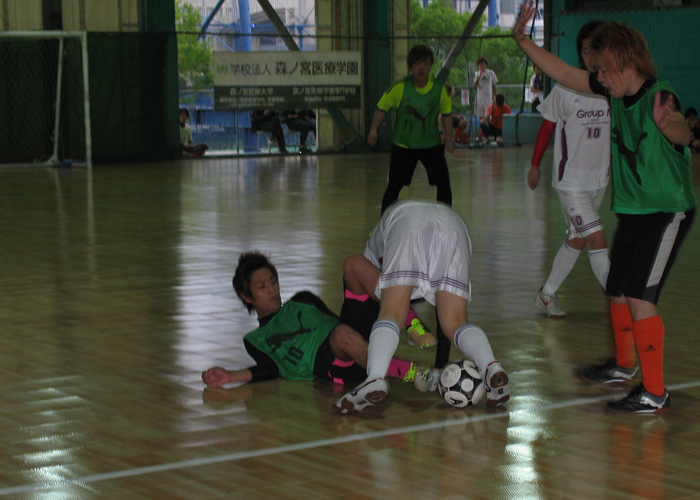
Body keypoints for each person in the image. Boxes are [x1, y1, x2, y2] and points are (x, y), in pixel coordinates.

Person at [514, 1, 696, 413]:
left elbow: (683, 133)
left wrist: (671, 127)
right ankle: (624, 364)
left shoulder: (659, 95)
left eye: (604, 70)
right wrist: (522, 40)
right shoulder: (613, 90)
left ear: (627, 66)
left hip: (666, 211)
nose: (598, 78)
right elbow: (564, 73)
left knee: (640, 297)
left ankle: (654, 391)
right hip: (634, 210)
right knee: (616, 288)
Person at [334, 200, 510, 414]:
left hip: (407, 224)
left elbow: (385, 300)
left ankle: (375, 379)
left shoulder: (369, 258)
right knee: (456, 322)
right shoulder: (378, 243)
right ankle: (491, 366)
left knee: (391, 314)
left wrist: (409, 324)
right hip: (453, 223)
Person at [201, 252, 433, 392]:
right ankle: (409, 372)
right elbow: (269, 368)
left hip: (349, 342)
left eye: (273, 282)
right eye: (262, 287)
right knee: (342, 335)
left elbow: (335, 322)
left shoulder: (303, 299)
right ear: (246, 296)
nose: (272, 290)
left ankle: (413, 325)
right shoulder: (256, 339)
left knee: (353, 263)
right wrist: (230, 376)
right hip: (334, 364)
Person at [528, 20, 611, 319]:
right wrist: (535, 164)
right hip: (571, 183)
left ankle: (546, 295)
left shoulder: (612, 88)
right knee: (597, 240)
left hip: (599, 180)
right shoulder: (565, 88)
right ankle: (621, 302)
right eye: (586, 51)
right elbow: (546, 128)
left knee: (576, 239)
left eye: (596, 51)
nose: (591, 58)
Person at [367, 44, 455, 214]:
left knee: (443, 184)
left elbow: (447, 115)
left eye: (426, 64)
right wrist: (373, 129)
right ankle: (386, 221)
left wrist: (449, 139)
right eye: (417, 64)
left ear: (431, 66)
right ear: (411, 66)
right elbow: (381, 108)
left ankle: (445, 219)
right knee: (394, 185)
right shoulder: (399, 87)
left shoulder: (440, 89)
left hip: (432, 145)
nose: (422, 68)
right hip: (403, 145)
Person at [473, 56, 498, 128]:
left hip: (488, 97)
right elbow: (474, 85)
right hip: (479, 97)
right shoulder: (476, 74)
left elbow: (493, 84)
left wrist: (495, 95)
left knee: (488, 115)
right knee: (481, 116)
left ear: (485, 65)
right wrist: (480, 75)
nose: (482, 66)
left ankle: (489, 130)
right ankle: (482, 131)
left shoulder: (490, 73)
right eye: (480, 64)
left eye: (483, 64)